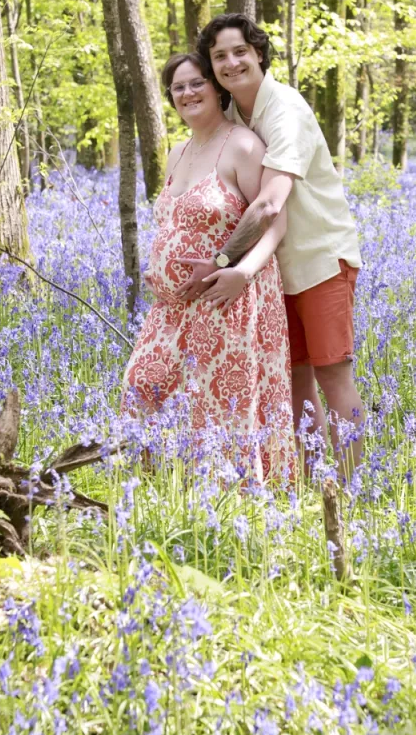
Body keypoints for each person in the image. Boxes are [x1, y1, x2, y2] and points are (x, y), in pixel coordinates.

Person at [179, 14, 364, 481]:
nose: (231, 62)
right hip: (274, 271)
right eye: (219, 55)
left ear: (258, 53)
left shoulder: (283, 109)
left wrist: (223, 261)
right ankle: (318, 487)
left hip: (320, 260)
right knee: (294, 380)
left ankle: (355, 492)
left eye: (239, 51)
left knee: (332, 377)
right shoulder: (238, 113)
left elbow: (267, 204)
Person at [121, 52, 294, 480]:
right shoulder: (177, 151)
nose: (187, 93)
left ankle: (234, 507)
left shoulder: (243, 145)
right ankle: (157, 493)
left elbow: (276, 218)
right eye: (178, 88)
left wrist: (240, 272)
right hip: (173, 306)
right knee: (141, 385)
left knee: (220, 409)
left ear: (217, 88)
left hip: (227, 299)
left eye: (196, 83)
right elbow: (176, 221)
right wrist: (161, 266)